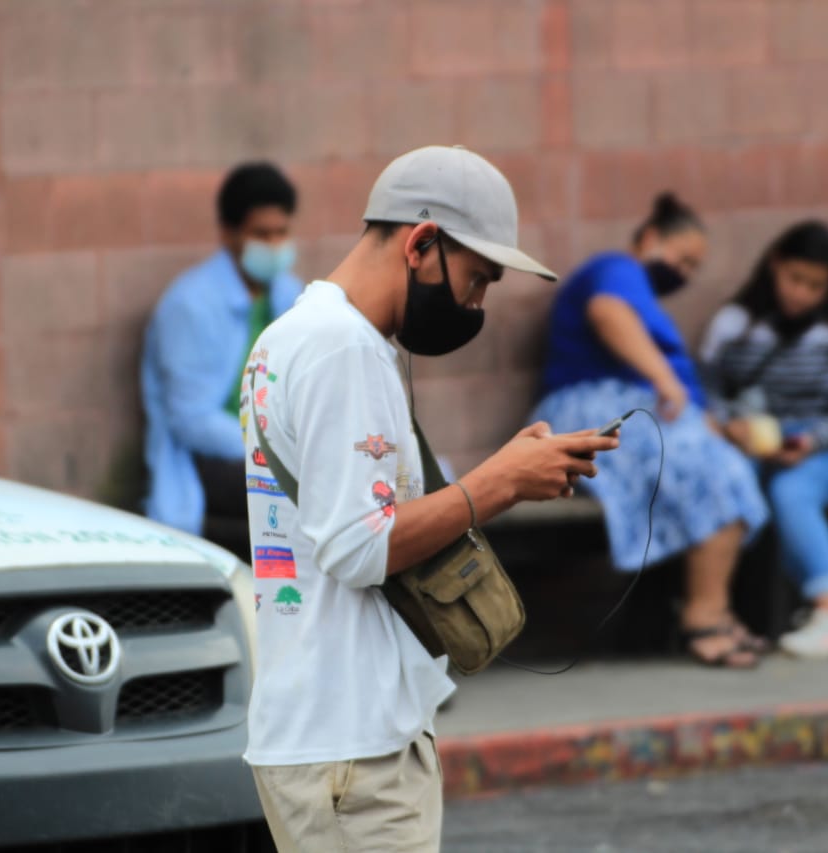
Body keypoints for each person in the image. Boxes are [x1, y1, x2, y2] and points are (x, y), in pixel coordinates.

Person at [238, 145, 617, 852]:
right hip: (355, 748)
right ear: (421, 244)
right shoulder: (339, 347)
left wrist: (512, 470)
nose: (476, 304)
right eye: (477, 280)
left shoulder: (299, 336)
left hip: (330, 734)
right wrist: (499, 482)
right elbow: (357, 545)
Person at [531, 193, 770, 669]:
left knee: (728, 469)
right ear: (650, 239)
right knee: (714, 470)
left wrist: (720, 426)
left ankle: (713, 610)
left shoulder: (647, 296)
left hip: (646, 412)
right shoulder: (618, 268)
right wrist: (663, 379)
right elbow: (608, 311)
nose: (684, 272)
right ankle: (702, 617)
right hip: (595, 407)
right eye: (682, 258)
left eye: (694, 267)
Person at [700, 222, 828, 659]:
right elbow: (705, 386)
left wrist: (814, 439)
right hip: (750, 442)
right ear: (775, 266)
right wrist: (729, 424)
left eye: (815, 285)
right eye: (794, 279)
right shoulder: (734, 323)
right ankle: (715, 609)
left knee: (792, 492)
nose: (801, 293)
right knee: (730, 485)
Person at [141, 162, 303, 558]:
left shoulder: (290, 293)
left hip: (278, 448)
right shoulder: (191, 304)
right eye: (261, 234)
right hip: (210, 460)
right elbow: (192, 420)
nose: (275, 244)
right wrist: (275, 450)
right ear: (229, 234)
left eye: (281, 233)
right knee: (302, 494)